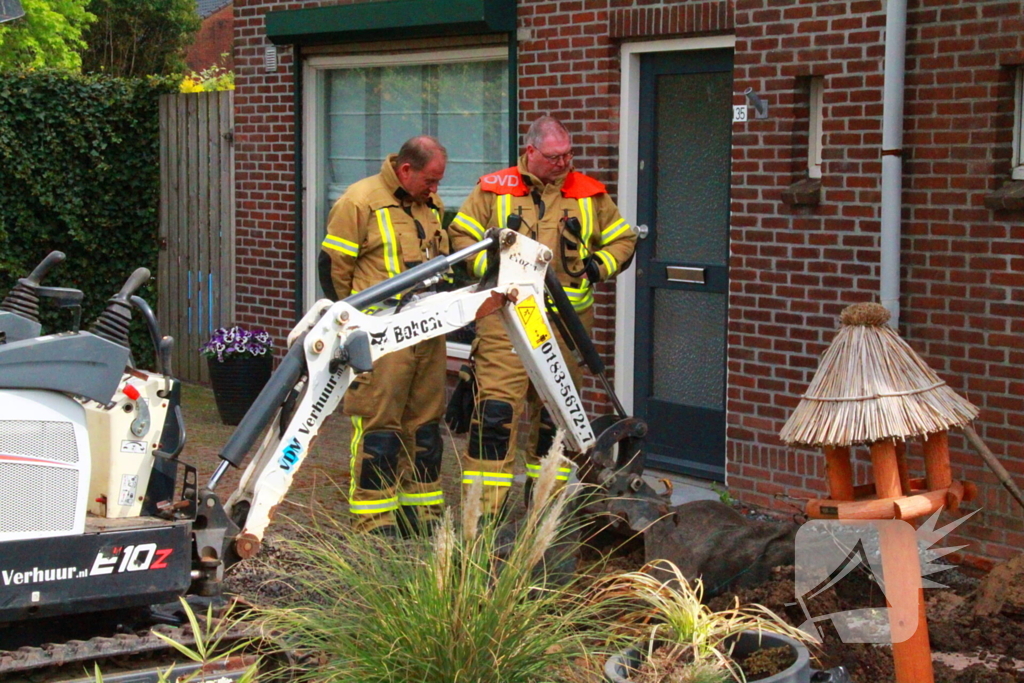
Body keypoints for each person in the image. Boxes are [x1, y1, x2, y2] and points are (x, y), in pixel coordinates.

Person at [448, 116, 637, 516]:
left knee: (556, 424)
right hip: (505, 321)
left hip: (566, 326)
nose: (564, 163)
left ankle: (545, 518)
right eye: (555, 156)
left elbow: (623, 238)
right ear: (530, 151)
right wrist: (492, 270)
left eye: (569, 154)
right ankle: (482, 518)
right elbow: (460, 237)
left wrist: (599, 265)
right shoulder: (493, 190)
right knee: (495, 417)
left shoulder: (589, 194)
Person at [318, 136, 449, 536]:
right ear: (405, 170)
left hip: (427, 330)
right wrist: (358, 325)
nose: (436, 188)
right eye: (430, 179)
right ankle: (374, 519)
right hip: (381, 336)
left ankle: (421, 511)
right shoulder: (359, 202)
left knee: (425, 424)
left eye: (439, 181)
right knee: (380, 425)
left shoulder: (432, 205)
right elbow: (334, 269)